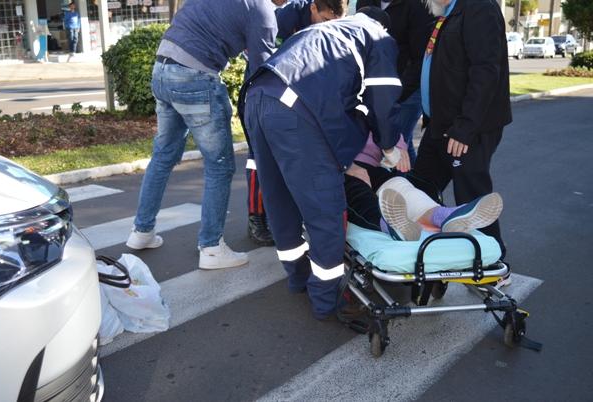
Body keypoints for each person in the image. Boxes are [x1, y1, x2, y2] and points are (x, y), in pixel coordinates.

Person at [243, 7, 404, 320]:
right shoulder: (379, 38)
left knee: (280, 199)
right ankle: (327, 301)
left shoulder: (324, 33)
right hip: (294, 112)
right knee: (325, 209)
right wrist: (389, 146)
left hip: (256, 100)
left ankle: (298, 278)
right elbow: (382, 100)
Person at [125, 0, 278, 271]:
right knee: (220, 166)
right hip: (195, 76)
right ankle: (211, 248)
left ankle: (141, 232)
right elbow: (263, 71)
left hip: (162, 68)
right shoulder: (263, 12)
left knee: (163, 156)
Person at [244, 0, 348, 246]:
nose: (329, 27)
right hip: (265, 97)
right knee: (260, 158)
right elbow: (259, 56)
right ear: (313, 8)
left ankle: (289, 215)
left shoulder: (327, 27)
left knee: (295, 160)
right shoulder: (282, 20)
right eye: (325, 21)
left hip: (300, 101)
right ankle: (256, 217)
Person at [414, 0, 511, 258]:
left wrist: (465, 128)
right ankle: (432, 252)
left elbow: (486, 71)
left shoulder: (480, 8)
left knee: (471, 196)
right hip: (439, 125)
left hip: (468, 128)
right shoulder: (447, 12)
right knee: (420, 188)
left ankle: (493, 260)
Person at [345, 134, 503, 243]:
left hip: (367, 162)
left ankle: (445, 216)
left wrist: (395, 146)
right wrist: (347, 165)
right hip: (335, 164)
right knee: (356, 189)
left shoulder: (364, 91)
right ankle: (391, 226)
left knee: (398, 184)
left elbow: (384, 114)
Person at [355, 0, 436, 163]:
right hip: (375, 86)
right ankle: (416, 183)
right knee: (402, 143)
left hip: (408, 88)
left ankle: (403, 184)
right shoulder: (365, 2)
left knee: (395, 144)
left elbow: (420, 58)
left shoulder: (418, 6)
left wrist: (397, 93)